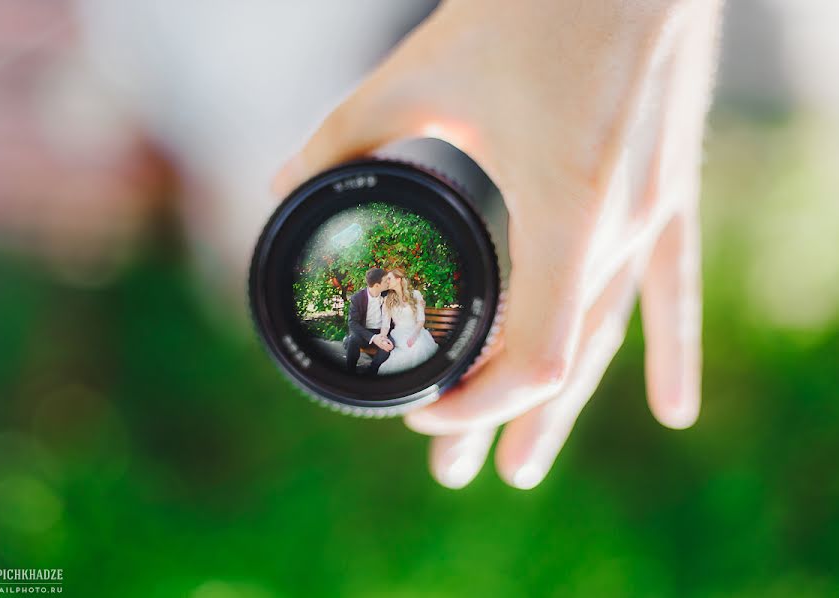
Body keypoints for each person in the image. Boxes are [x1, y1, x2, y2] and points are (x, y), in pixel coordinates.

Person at [274, 0, 725, 489]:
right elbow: (363, 344)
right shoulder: (362, 306)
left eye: (390, 274)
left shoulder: (411, 304)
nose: (387, 279)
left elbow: (410, 337)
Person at [377, 269, 439, 375]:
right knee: (410, 348)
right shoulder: (387, 299)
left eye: (389, 278)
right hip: (399, 333)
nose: (387, 281)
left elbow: (420, 320)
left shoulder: (415, 294)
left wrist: (414, 336)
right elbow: (385, 325)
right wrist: (382, 337)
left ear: (398, 279)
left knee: (419, 345)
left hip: (416, 330)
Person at [346, 267, 395, 375]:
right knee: (352, 339)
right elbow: (352, 323)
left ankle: (372, 370)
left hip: (383, 331)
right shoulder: (357, 298)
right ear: (377, 285)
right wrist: (373, 338)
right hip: (365, 333)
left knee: (390, 344)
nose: (388, 282)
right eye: (386, 280)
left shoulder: (388, 294)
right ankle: (350, 372)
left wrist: (382, 336)